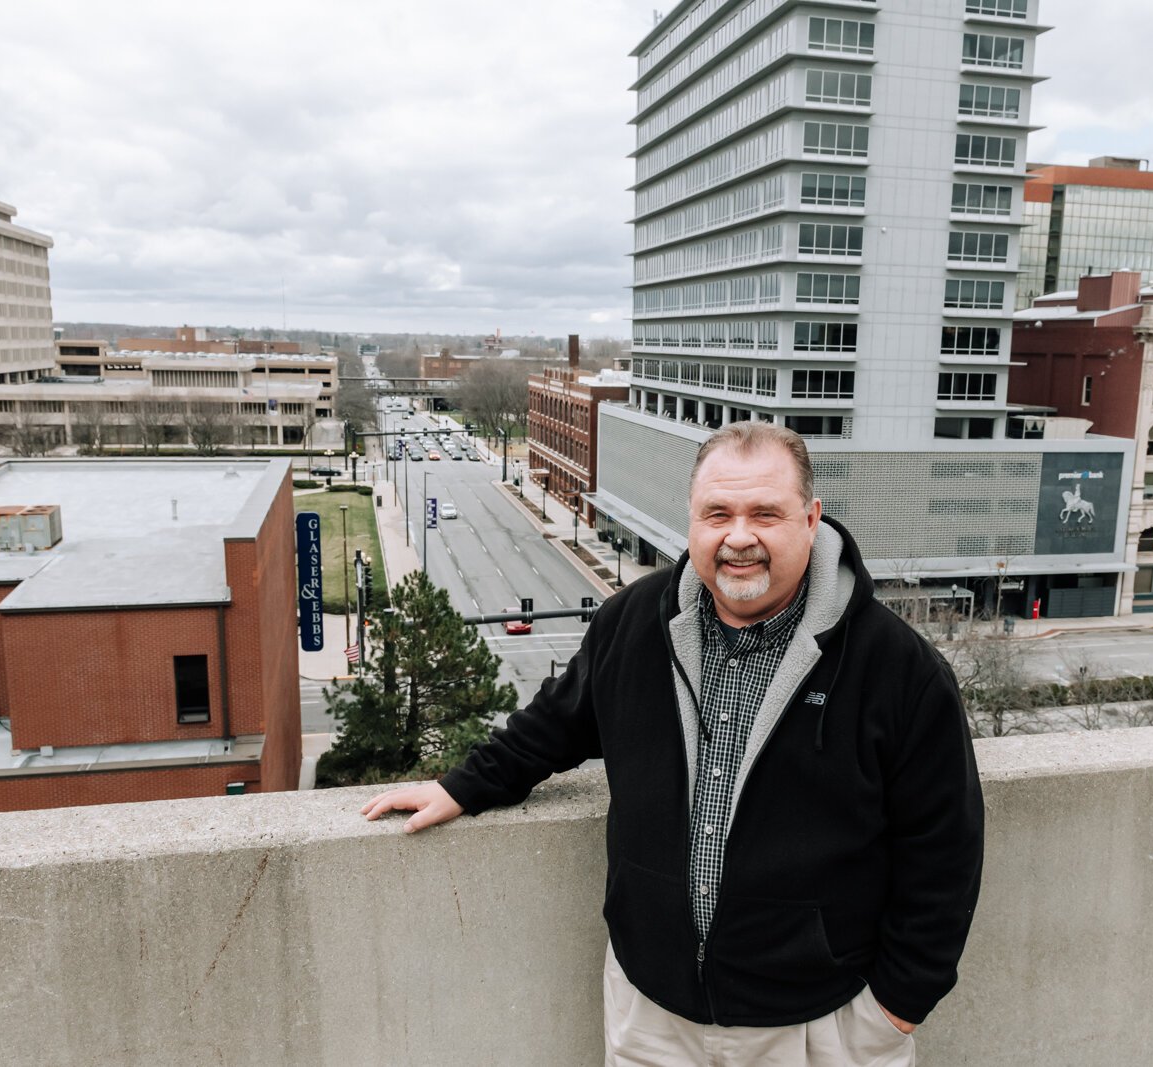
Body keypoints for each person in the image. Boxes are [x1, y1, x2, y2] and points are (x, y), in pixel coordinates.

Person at [363, 421, 983, 1066]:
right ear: (691, 520)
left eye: (765, 514)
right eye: (717, 513)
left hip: (819, 1021)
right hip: (652, 1011)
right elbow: (557, 723)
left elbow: (944, 848)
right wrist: (462, 785)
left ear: (810, 518)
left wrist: (897, 1007)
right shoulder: (635, 621)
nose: (738, 537)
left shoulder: (898, 668)